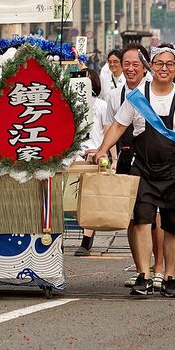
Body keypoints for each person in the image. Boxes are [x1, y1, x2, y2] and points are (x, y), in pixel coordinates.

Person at [93, 45, 175, 298]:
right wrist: (102, 149)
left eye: (169, 64)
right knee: (142, 220)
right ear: (150, 67)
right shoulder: (138, 95)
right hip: (142, 168)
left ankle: (169, 276)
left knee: (174, 226)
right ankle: (144, 275)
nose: (164, 69)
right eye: (159, 64)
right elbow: (119, 125)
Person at [101, 44, 164, 290]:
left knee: (155, 216)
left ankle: (158, 268)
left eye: (135, 64)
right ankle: (141, 270)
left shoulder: (156, 90)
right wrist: (106, 153)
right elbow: (111, 128)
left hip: (154, 160)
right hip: (127, 160)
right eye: (125, 63)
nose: (129, 68)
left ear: (145, 66)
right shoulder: (115, 95)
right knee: (132, 217)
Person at [75, 69, 107, 257]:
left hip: (94, 156)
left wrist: (111, 156)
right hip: (73, 155)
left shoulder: (101, 105)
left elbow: (109, 130)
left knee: (89, 198)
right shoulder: (70, 105)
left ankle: (86, 240)